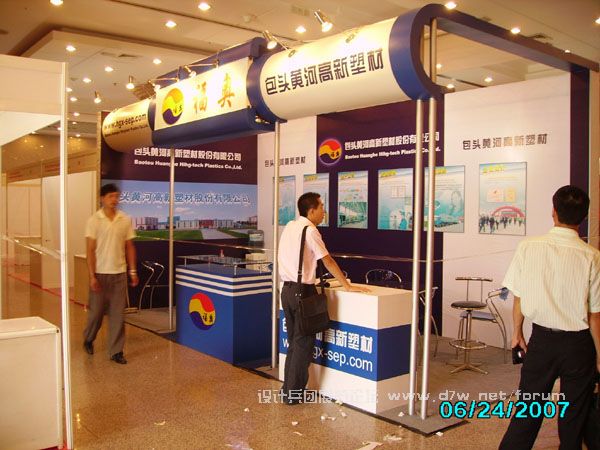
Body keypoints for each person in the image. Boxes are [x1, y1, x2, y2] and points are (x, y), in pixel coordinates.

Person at [499, 185, 600, 449]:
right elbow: (594, 315)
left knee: (527, 410)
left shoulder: (528, 247)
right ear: (584, 217)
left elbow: (519, 295)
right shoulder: (592, 256)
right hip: (579, 346)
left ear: (553, 211)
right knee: (573, 416)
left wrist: (517, 333)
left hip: (542, 341)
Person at [278, 192, 368, 404]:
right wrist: (347, 285)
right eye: (321, 207)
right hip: (302, 292)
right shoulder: (310, 231)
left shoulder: (290, 227)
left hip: (287, 291)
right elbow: (327, 261)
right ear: (311, 211)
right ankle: (293, 395)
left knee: (294, 343)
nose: (324, 211)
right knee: (302, 344)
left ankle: (288, 390)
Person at [83, 183, 139, 364]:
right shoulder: (94, 220)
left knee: (117, 314)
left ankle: (116, 351)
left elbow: (129, 246)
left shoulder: (125, 219)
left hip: (119, 273)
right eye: (110, 196)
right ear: (102, 198)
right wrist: (92, 276)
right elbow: (90, 250)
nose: (114, 200)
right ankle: (88, 338)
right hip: (100, 274)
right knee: (96, 313)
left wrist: (132, 271)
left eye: (116, 196)